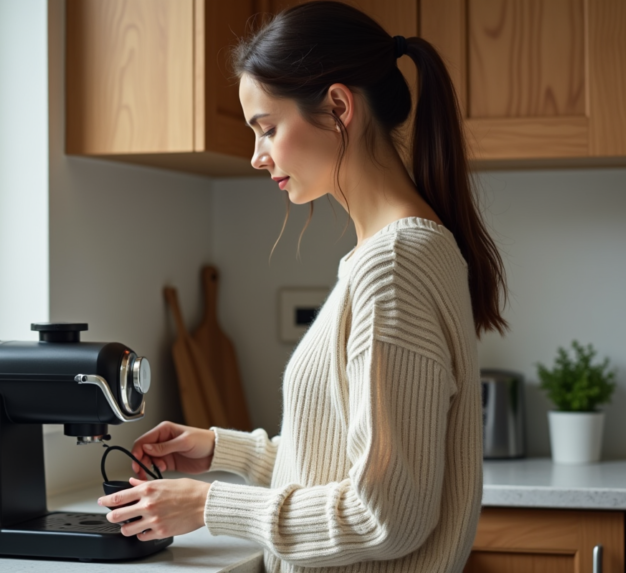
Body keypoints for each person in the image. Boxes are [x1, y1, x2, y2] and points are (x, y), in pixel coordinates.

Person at [97, 2, 508, 571]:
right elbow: (338, 461)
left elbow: (384, 515)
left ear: (339, 106)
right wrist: (225, 450)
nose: (256, 156)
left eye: (267, 128)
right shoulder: (392, 254)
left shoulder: (394, 266)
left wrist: (210, 505)